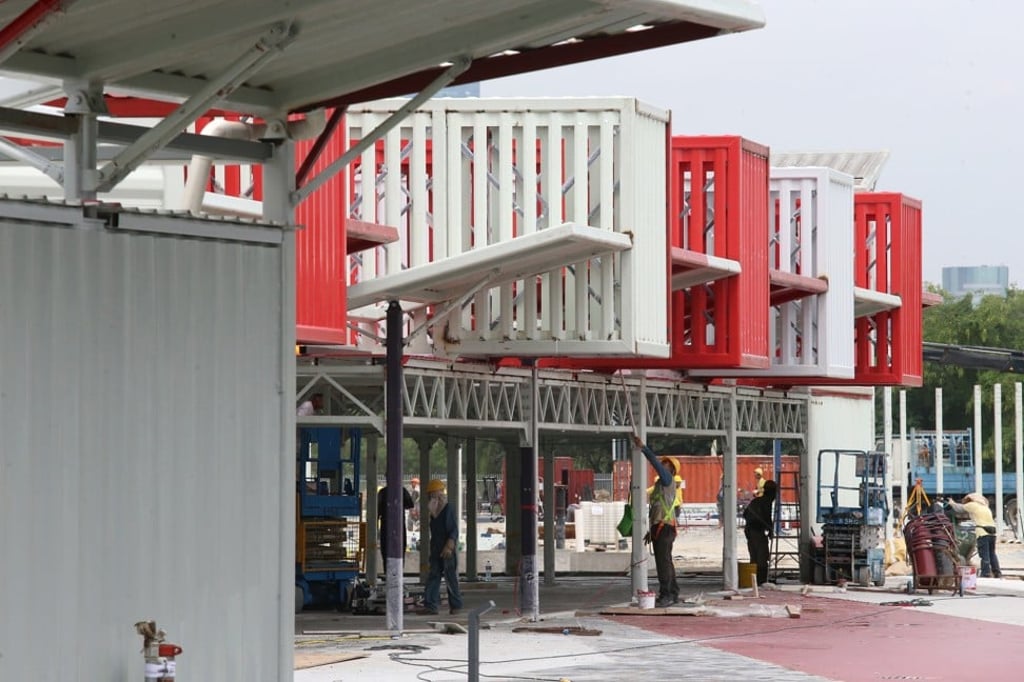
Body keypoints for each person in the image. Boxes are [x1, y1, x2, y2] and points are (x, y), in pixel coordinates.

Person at [633, 435, 680, 608]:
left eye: (666, 464)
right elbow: (657, 509)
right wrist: (651, 531)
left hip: (665, 527)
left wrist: (643, 448)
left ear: (671, 469)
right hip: (660, 526)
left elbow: (655, 464)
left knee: (663, 563)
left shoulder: (667, 480)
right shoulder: (661, 484)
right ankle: (673, 592)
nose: (663, 464)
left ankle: (666, 594)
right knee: (666, 560)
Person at [418, 479, 464, 616]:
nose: (431, 496)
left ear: (439, 493)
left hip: (446, 549)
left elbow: (453, 530)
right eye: (430, 494)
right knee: (433, 576)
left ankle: (456, 606)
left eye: (433, 493)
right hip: (436, 549)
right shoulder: (434, 511)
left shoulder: (447, 508)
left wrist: (449, 546)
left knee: (450, 577)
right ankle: (430, 605)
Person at [949, 492, 1002, 578]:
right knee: (992, 553)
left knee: (984, 554)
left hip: (982, 532)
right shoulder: (985, 507)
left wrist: (952, 503)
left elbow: (959, 509)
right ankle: (997, 572)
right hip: (992, 532)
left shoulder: (972, 505)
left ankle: (986, 573)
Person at [742, 478, 777, 586]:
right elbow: (767, 517)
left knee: (754, 556)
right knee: (762, 556)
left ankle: (754, 580)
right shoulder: (766, 502)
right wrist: (770, 530)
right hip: (756, 531)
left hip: (750, 531)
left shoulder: (757, 501)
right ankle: (761, 580)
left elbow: (745, 514)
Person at [377, 484, 415, 565]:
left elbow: (377, 511)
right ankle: (399, 572)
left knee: (385, 549)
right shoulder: (402, 491)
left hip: (386, 525)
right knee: (400, 549)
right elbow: (410, 504)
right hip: (399, 525)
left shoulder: (382, 492)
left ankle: (387, 572)